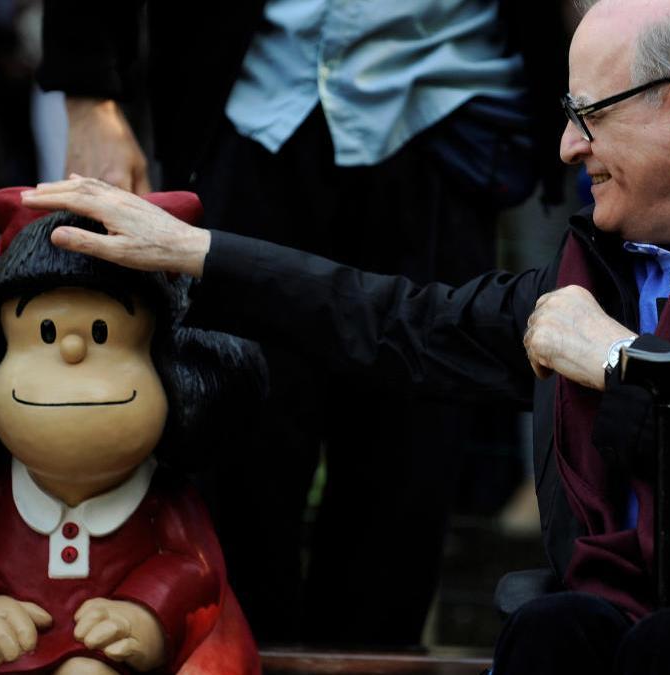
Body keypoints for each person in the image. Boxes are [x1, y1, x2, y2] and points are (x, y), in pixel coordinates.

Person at [22, 0, 670, 672]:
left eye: (586, 116)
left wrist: (619, 364)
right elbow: (389, 319)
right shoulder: (600, 268)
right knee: (556, 629)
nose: (565, 149)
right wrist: (197, 252)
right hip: (634, 627)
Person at [34, 0, 567, 645]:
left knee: (407, 479)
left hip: (445, 117)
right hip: (245, 111)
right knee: (232, 458)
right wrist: (90, 95)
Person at [0, 190, 264, 675]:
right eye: (44, 334)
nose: (74, 351)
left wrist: (146, 612)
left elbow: (195, 569)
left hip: (115, 654)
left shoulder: (162, 499)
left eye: (102, 333)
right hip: (10, 653)